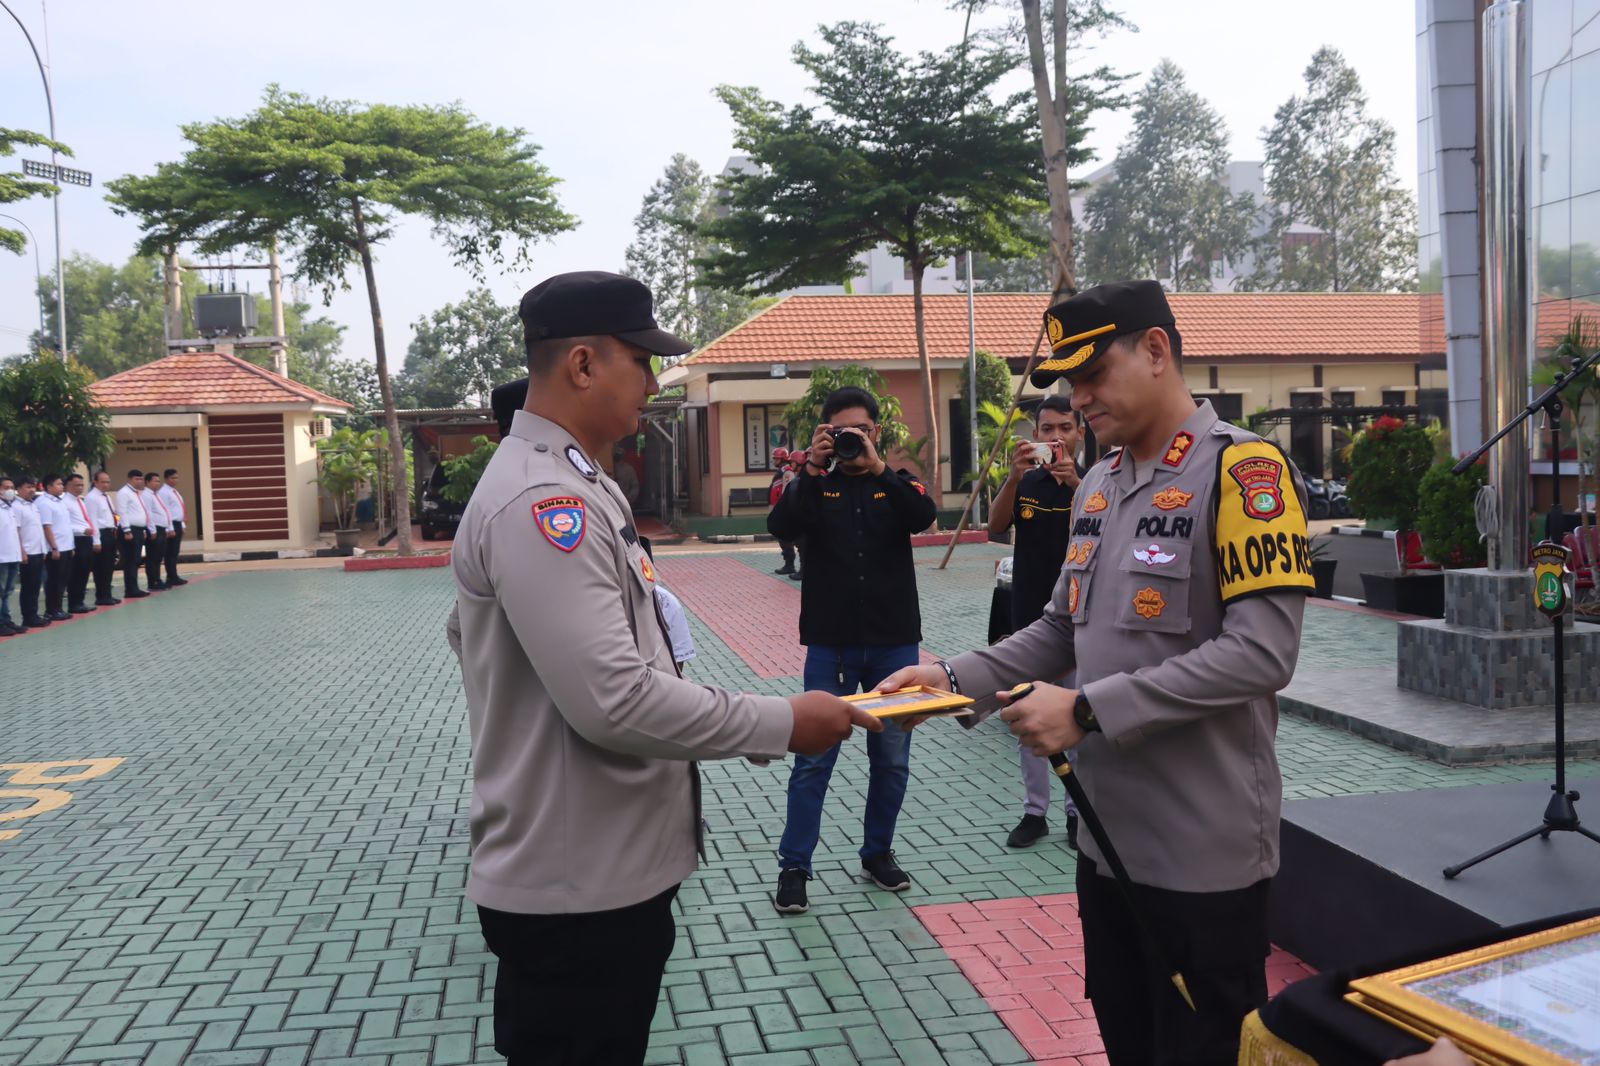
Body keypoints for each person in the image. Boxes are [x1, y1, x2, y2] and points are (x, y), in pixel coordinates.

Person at [447, 270, 880, 1066]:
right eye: (641, 361)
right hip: (577, 894)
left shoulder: (577, 483)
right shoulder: (543, 503)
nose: (653, 383)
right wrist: (782, 723)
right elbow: (614, 700)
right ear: (583, 364)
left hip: (602, 875)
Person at [877, 280, 1315, 1066]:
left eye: (1092, 374)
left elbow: (1262, 653)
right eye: (1070, 382)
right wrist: (950, 679)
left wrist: (1085, 712)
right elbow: (1057, 629)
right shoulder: (1100, 485)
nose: (1078, 399)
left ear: (1156, 350)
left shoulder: (1243, 472)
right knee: (1127, 1041)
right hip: (1104, 845)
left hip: (1201, 857)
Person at [766, 385, 939, 914]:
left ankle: (877, 853)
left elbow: (923, 516)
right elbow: (780, 525)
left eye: (861, 430)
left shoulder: (898, 482)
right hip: (831, 645)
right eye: (842, 431)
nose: (852, 439)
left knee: (892, 760)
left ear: (877, 432)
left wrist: (880, 468)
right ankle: (794, 868)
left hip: (894, 647)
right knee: (812, 760)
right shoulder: (813, 487)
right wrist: (810, 469)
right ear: (824, 434)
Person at [987, 395, 1085, 851]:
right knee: (1027, 718)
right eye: (1047, 429)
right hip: (1030, 620)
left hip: (1081, 619)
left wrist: (1076, 484)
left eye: (1065, 427)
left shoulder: (1097, 482)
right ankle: (1034, 813)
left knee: (1077, 717)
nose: (1056, 437)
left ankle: (1077, 812)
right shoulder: (1025, 482)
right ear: (1036, 435)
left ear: (1080, 432)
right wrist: (1012, 477)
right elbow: (995, 526)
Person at [14, 476, 50, 628]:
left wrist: (43, 549)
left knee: (35, 586)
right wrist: (22, 552)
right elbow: (17, 531)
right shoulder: (16, 506)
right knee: (28, 586)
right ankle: (28, 617)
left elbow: (38, 529)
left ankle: (34, 615)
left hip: (38, 551)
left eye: (33, 487)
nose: (32, 490)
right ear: (19, 489)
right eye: (28, 487)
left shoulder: (32, 505)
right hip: (28, 552)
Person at [36, 474, 73, 622]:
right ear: (49, 486)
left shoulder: (59, 501)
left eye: (62, 484)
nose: (62, 486)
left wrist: (71, 546)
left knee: (62, 580)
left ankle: (58, 608)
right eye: (58, 484)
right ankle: (51, 610)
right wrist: (54, 547)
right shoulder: (44, 503)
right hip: (55, 548)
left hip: (66, 546)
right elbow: (47, 527)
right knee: (54, 581)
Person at [63, 473, 99, 614]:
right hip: (77, 539)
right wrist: (82, 530)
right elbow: (65, 524)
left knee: (84, 572)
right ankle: (74, 604)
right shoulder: (65, 502)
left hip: (86, 538)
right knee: (76, 573)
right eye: (77, 485)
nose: (80, 487)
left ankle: (80, 601)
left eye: (82, 485)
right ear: (68, 486)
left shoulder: (80, 501)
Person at [86, 471, 121, 606]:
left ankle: (107, 594)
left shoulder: (106, 496)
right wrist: (96, 540)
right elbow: (92, 520)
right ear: (95, 482)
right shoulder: (92, 498)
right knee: (101, 567)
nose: (106, 484)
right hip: (101, 534)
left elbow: (112, 515)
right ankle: (101, 596)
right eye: (103, 482)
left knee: (109, 566)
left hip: (110, 533)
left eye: (108, 482)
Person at [116, 469, 150, 598]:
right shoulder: (124, 493)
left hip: (138, 530)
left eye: (141, 479)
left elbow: (139, 512)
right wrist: (126, 530)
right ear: (130, 479)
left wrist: (143, 529)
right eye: (137, 479)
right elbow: (122, 512)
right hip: (130, 530)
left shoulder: (136, 493)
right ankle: (130, 590)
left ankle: (134, 588)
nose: (140, 481)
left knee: (135, 560)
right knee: (130, 561)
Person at [769, 448, 800, 576]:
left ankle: (790, 565)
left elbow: (787, 490)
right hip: (779, 508)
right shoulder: (782, 471)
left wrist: (784, 508)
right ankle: (788, 563)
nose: (774, 460)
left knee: (784, 537)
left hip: (784, 509)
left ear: (782, 459)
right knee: (782, 538)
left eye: (776, 458)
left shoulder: (787, 471)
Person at [158, 469, 189, 586]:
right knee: (170, 552)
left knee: (175, 552)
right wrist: (169, 528)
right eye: (172, 478)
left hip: (177, 523)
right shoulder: (164, 492)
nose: (175, 480)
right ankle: (171, 576)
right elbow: (166, 511)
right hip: (171, 525)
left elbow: (179, 509)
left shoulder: (174, 491)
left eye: (176, 477)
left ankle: (174, 575)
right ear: (166, 478)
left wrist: (182, 524)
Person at [0, 476, 22, 636]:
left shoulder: (10, 508)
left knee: (8, 591)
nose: (10, 490)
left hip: (13, 555)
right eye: (6, 487)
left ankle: (6, 620)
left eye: (12, 487)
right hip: (1, 557)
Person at [142, 472, 172, 591]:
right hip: (154, 529)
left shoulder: (155, 494)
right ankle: (152, 582)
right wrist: (152, 530)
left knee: (158, 557)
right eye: (155, 481)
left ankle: (157, 579)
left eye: (159, 481)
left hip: (161, 529)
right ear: (147, 482)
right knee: (152, 557)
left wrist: (167, 528)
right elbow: (148, 513)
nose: (158, 483)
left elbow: (164, 511)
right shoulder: (146, 495)